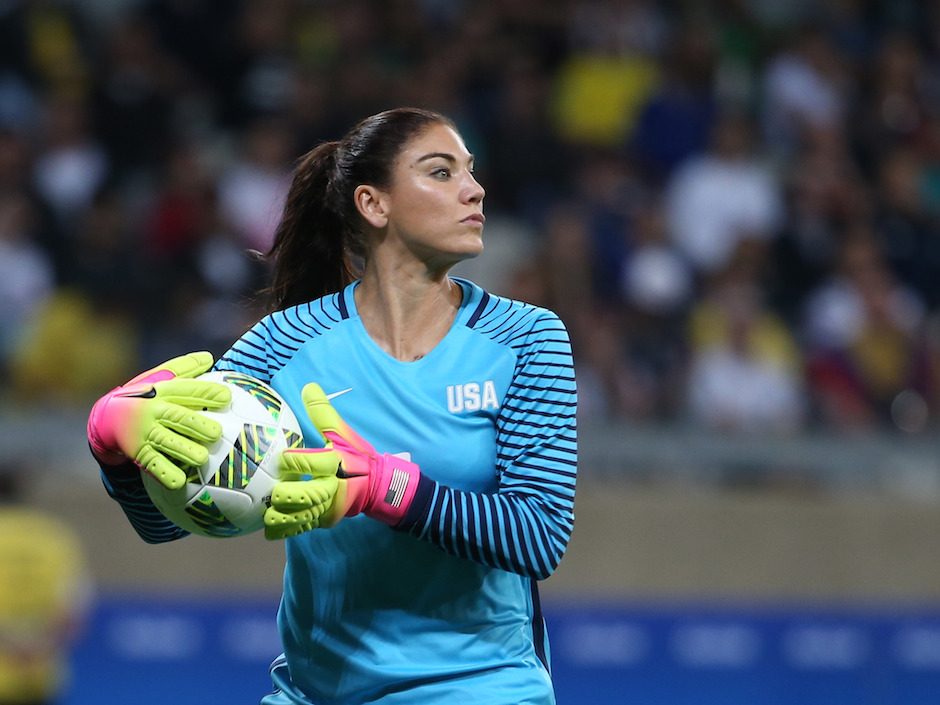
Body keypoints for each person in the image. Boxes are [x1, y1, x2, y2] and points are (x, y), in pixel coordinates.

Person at [86, 107, 578, 704]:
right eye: (442, 172)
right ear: (374, 205)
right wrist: (116, 450)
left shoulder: (526, 337)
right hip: (314, 694)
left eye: (470, 171)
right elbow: (171, 522)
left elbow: (539, 535)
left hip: (479, 688)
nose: (475, 189)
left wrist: (387, 490)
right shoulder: (281, 344)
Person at [0, 464, 92, 705]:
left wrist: (11, 644)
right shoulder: (55, 536)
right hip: (40, 675)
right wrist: (37, 647)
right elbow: (74, 610)